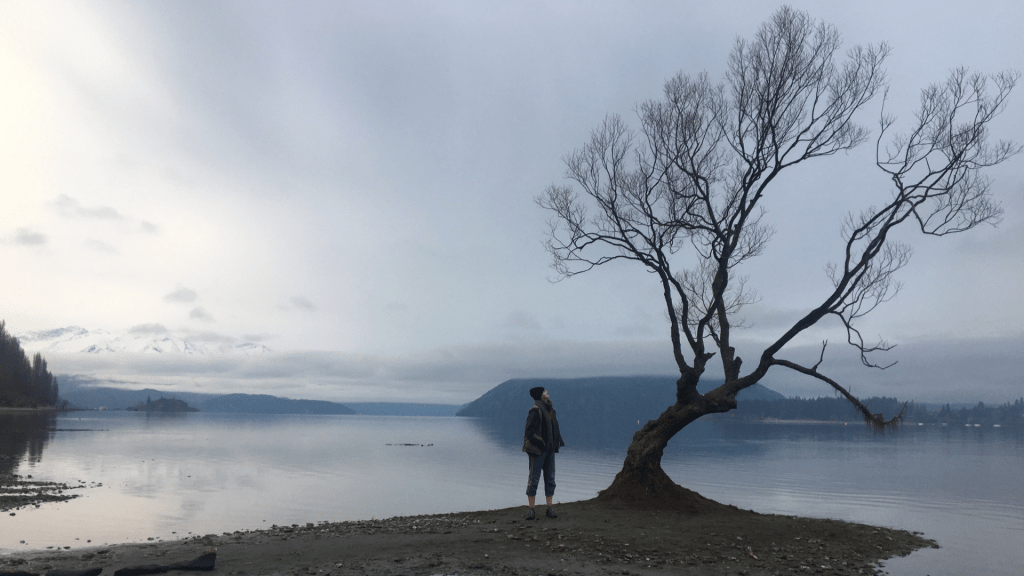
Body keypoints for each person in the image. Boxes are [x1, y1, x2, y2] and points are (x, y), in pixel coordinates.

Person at [522, 386, 564, 520]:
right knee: (533, 479)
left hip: (550, 450)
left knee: (550, 479)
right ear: (541, 395)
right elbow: (529, 432)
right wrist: (541, 443)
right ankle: (531, 510)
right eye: (545, 391)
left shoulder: (550, 410)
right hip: (538, 451)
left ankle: (549, 507)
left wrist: (555, 443)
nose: (548, 393)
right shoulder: (535, 411)